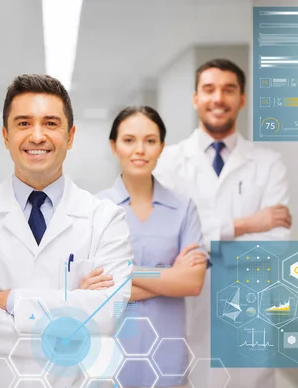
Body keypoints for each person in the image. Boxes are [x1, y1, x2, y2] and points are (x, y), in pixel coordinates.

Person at [0, 74, 133, 387]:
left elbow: (108, 314)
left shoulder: (106, 219)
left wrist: (10, 300)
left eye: (51, 123)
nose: (37, 136)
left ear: (70, 136)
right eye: (24, 123)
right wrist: (72, 317)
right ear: (5, 136)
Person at [153, 59, 292, 388]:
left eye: (229, 90)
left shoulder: (269, 164)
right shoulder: (169, 162)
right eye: (209, 89)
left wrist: (200, 243)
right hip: (184, 307)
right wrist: (245, 224)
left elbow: (277, 243)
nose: (218, 98)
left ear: (242, 99)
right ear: (195, 98)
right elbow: (166, 241)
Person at [96, 106, 209, 388]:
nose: (140, 150)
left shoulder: (183, 209)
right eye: (129, 140)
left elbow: (192, 283)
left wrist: (125, 272)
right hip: (108, 357)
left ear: (161, 147)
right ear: (114, 146)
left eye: (150, 140)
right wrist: (169, 276)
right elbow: (94, 289)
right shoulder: (95, 210)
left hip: (166, 356)